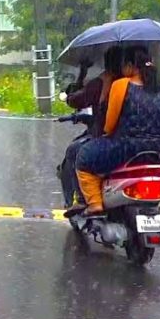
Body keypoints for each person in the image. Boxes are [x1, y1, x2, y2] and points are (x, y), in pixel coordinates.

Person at [73, 45, 160, 216]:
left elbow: (109, 125)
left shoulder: (121, 85)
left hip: (127, 148)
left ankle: (94, 204)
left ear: (130, 66)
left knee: (84, 156)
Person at [58, 46, 125, 209]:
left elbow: (75, 100)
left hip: (108, 138)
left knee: (76, 152)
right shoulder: (138, 83)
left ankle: (82, 200)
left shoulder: (104, 83)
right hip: (138, 140)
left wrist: (81, 74)